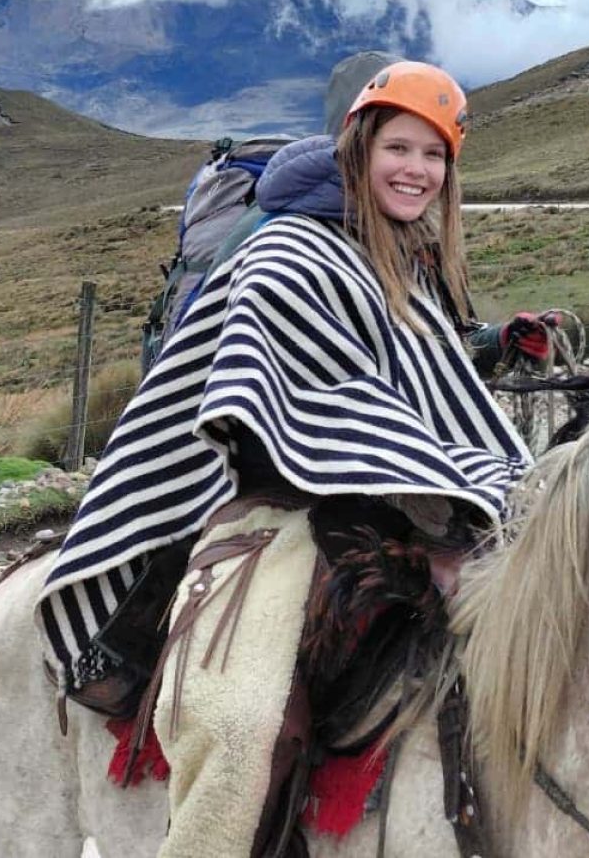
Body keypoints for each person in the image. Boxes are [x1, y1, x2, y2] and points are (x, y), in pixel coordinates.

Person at [37, 59, 546, 858]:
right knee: (244, 720)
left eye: (434, 155)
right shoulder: (289, 248)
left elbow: (402, 377)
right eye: (400, 149)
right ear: (358, 144)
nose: (416, 170)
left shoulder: (402, 247)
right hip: (273, 503)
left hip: (381, 504)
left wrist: (483, 386)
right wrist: (416, 466)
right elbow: (294, 398)